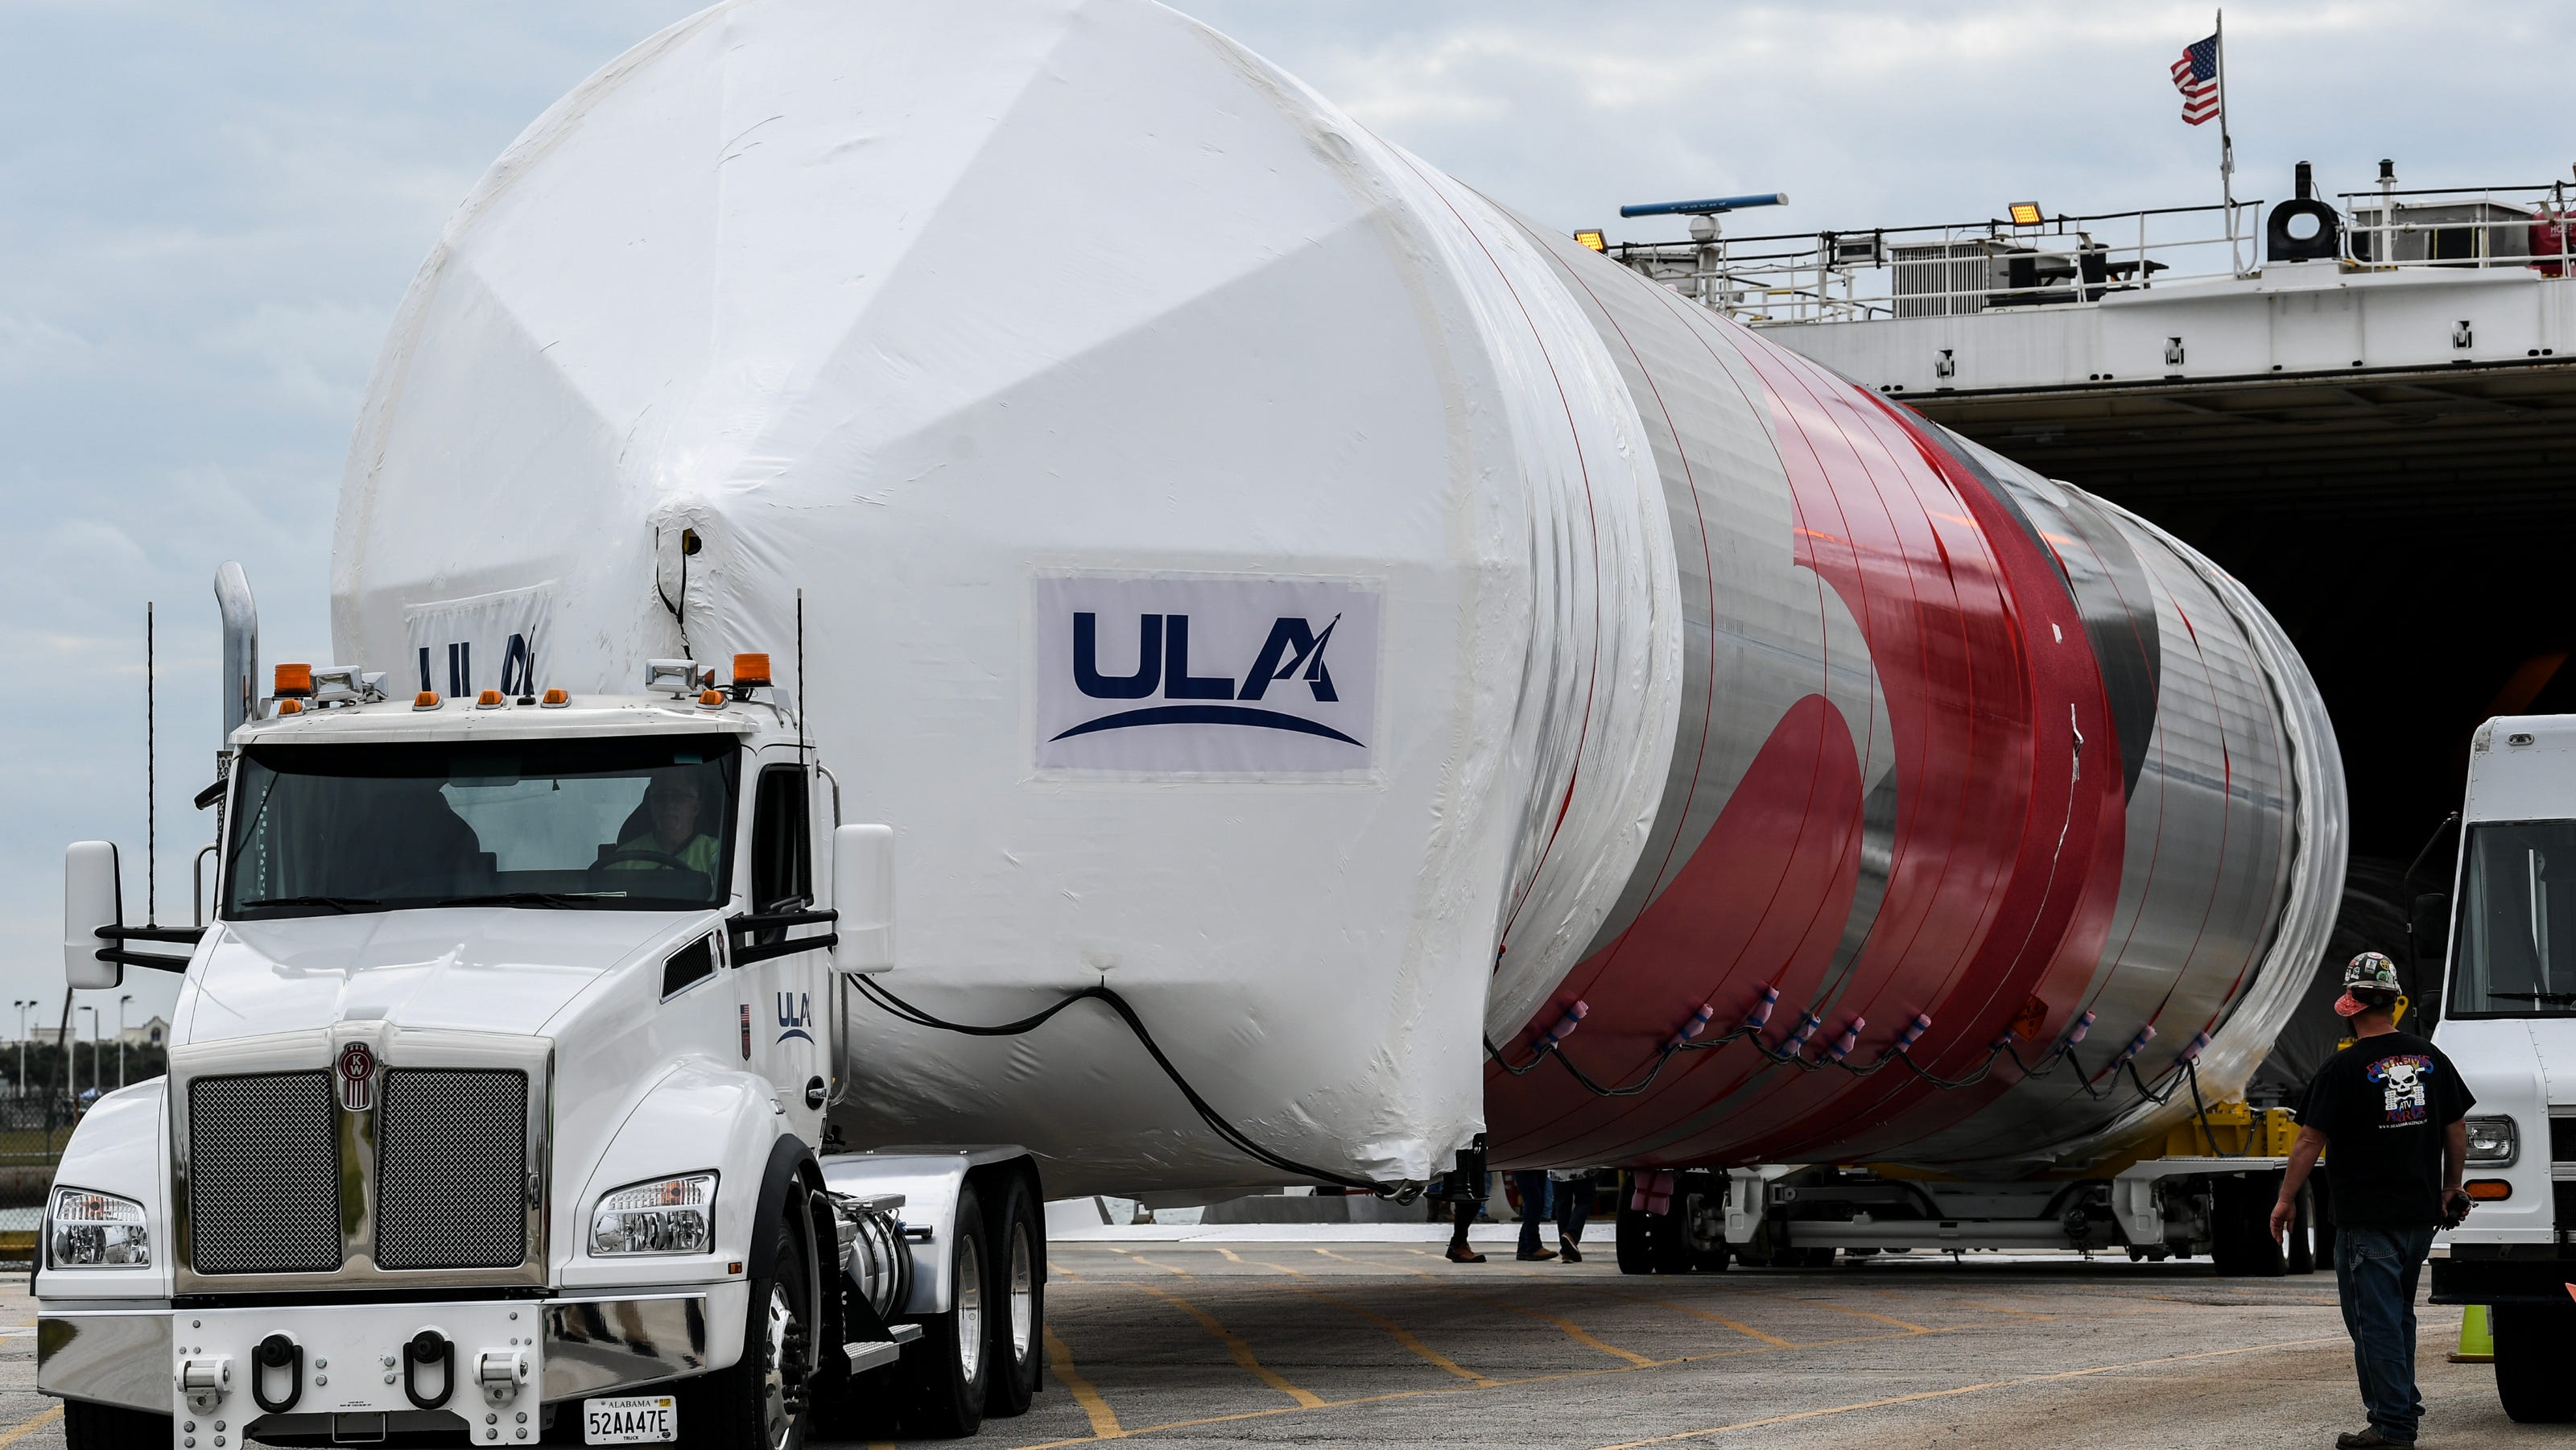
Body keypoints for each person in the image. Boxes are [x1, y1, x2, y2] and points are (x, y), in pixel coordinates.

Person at [2271, 951, 2474, 1450]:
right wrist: (2452, 1187)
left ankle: (2391, 1426)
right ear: (2392, 1001)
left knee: (2373, 1320)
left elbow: (2308, 1142)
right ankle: (2403, 1406)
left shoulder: (2342, 1068)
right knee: (2398, 1313)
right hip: (2420, 1216)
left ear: (2352, 1004)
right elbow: (2456, 1128)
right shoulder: (2430, 1059)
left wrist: (2285, 1200)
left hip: (2368, 1218)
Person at [607, 770, 721, 880]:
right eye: (660, 798)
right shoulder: (624, 859)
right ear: (651, 806)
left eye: (678, 797)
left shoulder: (716, 854)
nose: (669, 805)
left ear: (696, 808)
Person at [1550, 1167, 1599, 1263]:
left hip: (1557, 1168)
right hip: (1582, 1168)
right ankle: (1571, 1234)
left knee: (1562, 1206)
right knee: (1585, 1200)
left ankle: (1566, 1252)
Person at [1512, 1169, 1556, 1262]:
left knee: (1537, 1202)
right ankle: (1533, 1246)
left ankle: (1524, 1247)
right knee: (1533, 1201)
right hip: (1525, 1162)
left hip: (1537, 1163)